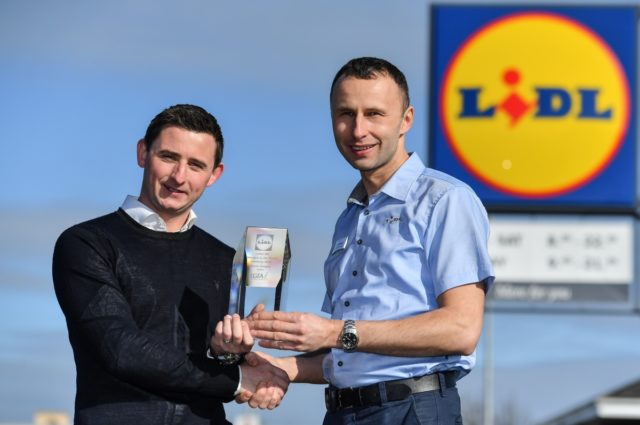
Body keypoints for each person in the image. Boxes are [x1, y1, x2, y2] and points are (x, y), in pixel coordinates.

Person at [246, 57, 495, 424]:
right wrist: (281, 365)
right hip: (343, 412)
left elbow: (461, 329)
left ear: (405, 120)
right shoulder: (349, 218)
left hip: (416, 411)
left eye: (374, 114)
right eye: (346, 114)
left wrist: (332, 331)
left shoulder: (445, 200)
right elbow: (349, 355)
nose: (358, 129)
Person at [52, 104, 288, 425]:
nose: (179, 177)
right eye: (168, 157)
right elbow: (120, 349)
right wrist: (235, 380)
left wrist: (229, 352)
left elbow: (212, 358)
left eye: (195, 165)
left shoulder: (223, 258)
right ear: (142, 153)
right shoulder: (86, 243)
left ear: (213, 175)